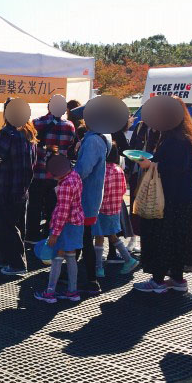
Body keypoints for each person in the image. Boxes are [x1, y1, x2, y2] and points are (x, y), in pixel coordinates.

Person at [134, 98, 192, 293]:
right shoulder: (185, 135)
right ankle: (177, 280)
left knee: (162, 238)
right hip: (185, 198)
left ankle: (158, 281)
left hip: (169, 199)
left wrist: (149, 165)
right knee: (178, 240)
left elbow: (172, 169)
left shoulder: (174, 139)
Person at [0, 97, 35, 276]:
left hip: (6, 188)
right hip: (22, 188)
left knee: (7, 226)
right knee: (8, 224)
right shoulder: (29, 132)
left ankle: (17, 263)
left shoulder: (7, 133)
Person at [72, 104, 113, 295]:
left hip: (85, 197)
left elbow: (83, 170)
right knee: (82, 236)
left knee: (85, 238)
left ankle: (91, 280)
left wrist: (67, 178)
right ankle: (73, 273)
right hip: (92, 197)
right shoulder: (103, 137)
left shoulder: (92, 141)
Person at [26, 95, 76, 243]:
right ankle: (49, 234)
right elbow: (70, 146)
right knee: (53, 207)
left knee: (34, 205)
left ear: (49, 107)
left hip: (38, 172)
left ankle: (32, 235)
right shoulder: (70, 126)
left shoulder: (36, 123)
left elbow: (30, 145)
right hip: (58, 175)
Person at [35, 155, 84, 303]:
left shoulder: (65, 185)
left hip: (64, 226)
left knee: (56, 257)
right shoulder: (75, 176)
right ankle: (72, 291)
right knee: (71, 257)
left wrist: (54, 235)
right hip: (77, 223)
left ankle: (50, 292)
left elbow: (63, 212)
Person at [93, 145, 139, 277]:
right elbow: (124, 189)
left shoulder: (101, 170)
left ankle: (99, 268)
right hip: (115, 209)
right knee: (113, 236)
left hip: (101, 209)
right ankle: (128, 259)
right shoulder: (119, 170)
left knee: (99, 238)